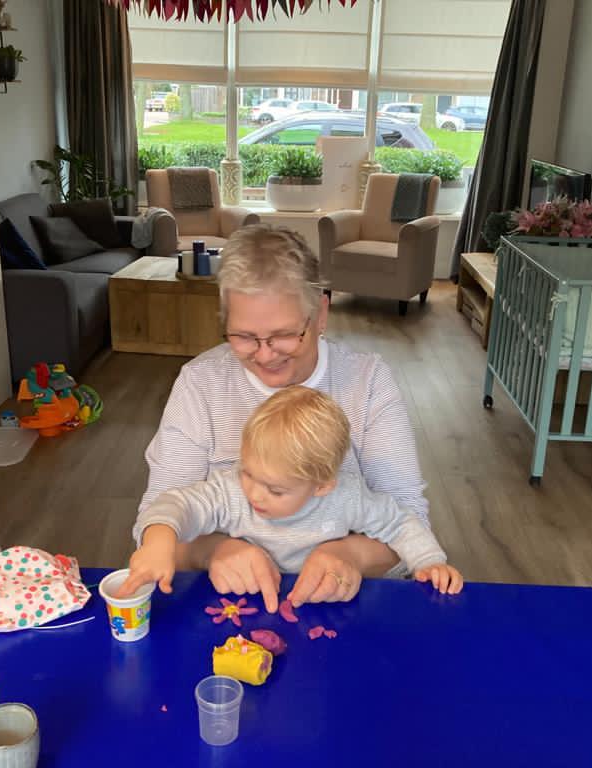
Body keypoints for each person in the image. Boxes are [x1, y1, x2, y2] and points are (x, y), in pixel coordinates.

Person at [134, 224, 435, 613]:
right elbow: (156, 521)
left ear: (320, 313)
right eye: (243, 336)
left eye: (284, 335)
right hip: (228, 603)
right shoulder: (200, 383)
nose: (265, 355)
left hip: (340, 606)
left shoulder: (368, 381)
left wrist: (351, 555)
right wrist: (214, 551)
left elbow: (408, 519)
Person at [120, 387, 462, 599]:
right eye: (248, 472)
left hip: (324, 603)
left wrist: (429, 562)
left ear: (322, 485)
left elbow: (400, 523)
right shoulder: (232, 490)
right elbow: (177, 504)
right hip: (241, 601)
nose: (254, 493)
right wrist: (159, 541)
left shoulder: (346, 497)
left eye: (275, 489)